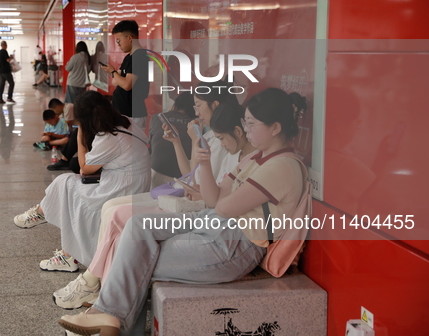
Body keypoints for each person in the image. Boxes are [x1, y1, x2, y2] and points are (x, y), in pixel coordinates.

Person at [57, 88, 308, 335]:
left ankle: (106, 317)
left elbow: (223, 206)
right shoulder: (256, 158)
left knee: (136, 257)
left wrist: (218, 192)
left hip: (234, 246)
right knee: (135, 228)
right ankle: (108, 317)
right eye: (246, 121)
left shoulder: (282, 166)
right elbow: (213, 200)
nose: (247, 128)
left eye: (252, 123)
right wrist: (205, 162)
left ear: (275, 128)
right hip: (213, 224)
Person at [51, 96, 249, 310]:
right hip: (188, 197)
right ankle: (99, 288)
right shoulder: (211, 138)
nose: (196, 111)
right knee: (112, 210)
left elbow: (215, 201)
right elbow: (191, 175)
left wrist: (202, 186)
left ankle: (96, 287)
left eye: (199, 105)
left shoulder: (234, 149)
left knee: (121, 219)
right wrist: (181, 143)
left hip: (197, 208)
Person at [13, 91, 151, 270]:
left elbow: (84, 168)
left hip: (122, 188)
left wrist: (79, 135)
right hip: (132, 183)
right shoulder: (125, 121)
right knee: (68, 186)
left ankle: (46, 220)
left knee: (68, 187)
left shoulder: (109, 138)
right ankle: (65, 249)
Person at [101, 20, 149, 131]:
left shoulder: (139, 56)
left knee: (132, 147)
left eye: (119, 41)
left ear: (129, 38)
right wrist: (117, 76)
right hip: (124, 113)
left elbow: (127, 84)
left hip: (133, 114)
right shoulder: (129, 57)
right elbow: (115, 81)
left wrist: (113, 72)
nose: (118, 45)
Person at [148, 93, 196, 188]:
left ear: (176, 104)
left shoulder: (157, 117)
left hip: (157, 173)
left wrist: (170, 114)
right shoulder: (195, 124)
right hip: (184, 179)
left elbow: (151, 145)